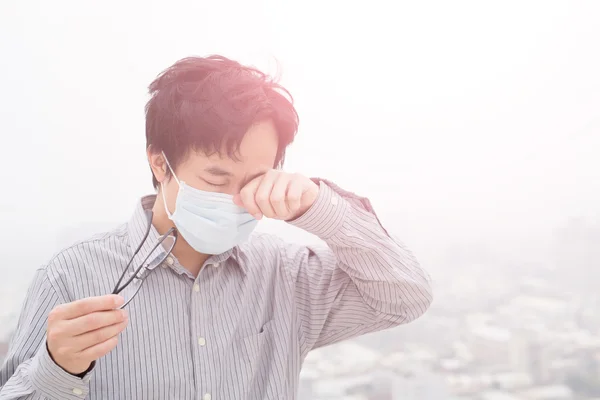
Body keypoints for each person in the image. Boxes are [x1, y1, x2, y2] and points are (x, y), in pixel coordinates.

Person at [0, 55, 432, 400]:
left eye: (254, 181)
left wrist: (320, 206)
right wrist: (58, 369)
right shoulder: (73, 276)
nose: (234, 199)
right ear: (158, 162)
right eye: (216, 178)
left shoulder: (285, 274)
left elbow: (406, 298)